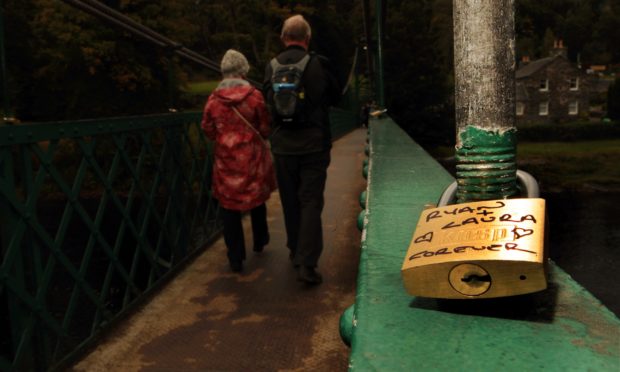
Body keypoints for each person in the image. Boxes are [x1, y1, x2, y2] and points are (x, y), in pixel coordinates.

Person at [263, 15, 341, 285]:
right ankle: (306, 264)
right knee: (310, 201)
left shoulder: (271, 66)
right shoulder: (318, 64)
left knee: (290, 201)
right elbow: (335, 97)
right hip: (313, 145)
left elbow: (267, 103)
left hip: (283, 146)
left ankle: (294, 248)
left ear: (283, 38)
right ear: (307, 38)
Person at [202, 49, 276, 273]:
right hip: (251, 158)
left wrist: (225, 138)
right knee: (256, 198)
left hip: (226, 161)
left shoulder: (213, 100)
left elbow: (207, 129)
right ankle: (260, 240)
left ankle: (235, 257)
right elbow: (264, 127)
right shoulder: (254, 96)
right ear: (243, 70)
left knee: (228, 206)